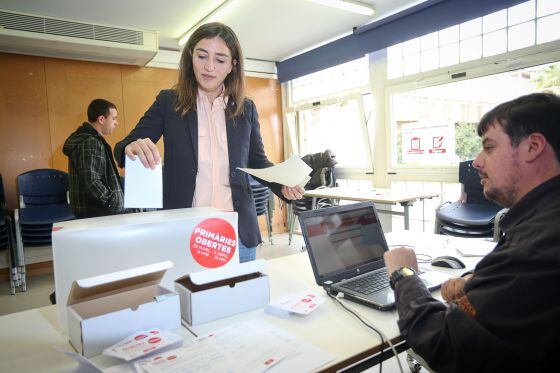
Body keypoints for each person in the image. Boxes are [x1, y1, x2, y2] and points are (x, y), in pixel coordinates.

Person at [384, 93, 560, 372]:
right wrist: (480, 283)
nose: (476, 162)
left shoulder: (537, 249)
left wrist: (404, 274)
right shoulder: (541, 221)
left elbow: (441, 341)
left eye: (488, 147)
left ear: (533, 146)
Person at [114, 23, 304, 262]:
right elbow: (124, 146)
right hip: (184, 229)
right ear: (190, 56)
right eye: (202, 56)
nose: (209, 67)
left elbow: (256, 161)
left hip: (235, 231)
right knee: (187, 298)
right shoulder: (169, 102)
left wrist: (282, 185)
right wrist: (131, 147)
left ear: (233, 65)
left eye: (220, 60)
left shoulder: (246, 109)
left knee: (240, 298)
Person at [63, 98, 124, 219]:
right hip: (96, 211)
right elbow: (91, 182)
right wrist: (113, 201)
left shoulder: (87, 139)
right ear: (101, 119)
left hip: (92, 210)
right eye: (114, 118)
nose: (116, 123)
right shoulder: (91, 142)